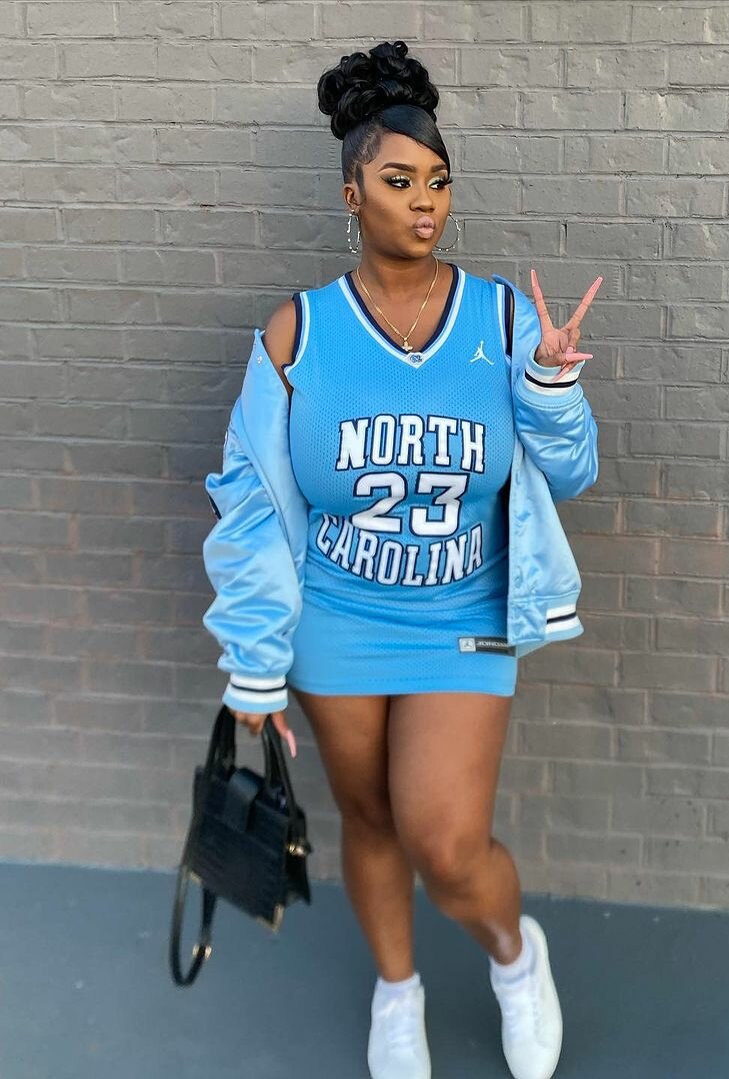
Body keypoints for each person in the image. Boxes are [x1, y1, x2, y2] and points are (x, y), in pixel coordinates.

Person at [200, 40, 602, 1079]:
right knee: (370, 817)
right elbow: (253, 504)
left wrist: (551, 388)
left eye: (438, 181)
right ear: (352, 194)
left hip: (464, 611)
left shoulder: (505, 318)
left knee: (447, 839)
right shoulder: (298, 333)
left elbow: (572, 473)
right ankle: (397, 992)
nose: (424, 203)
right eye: (398, 181)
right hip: (336, 617)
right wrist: (254, 662)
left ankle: (515, 957)